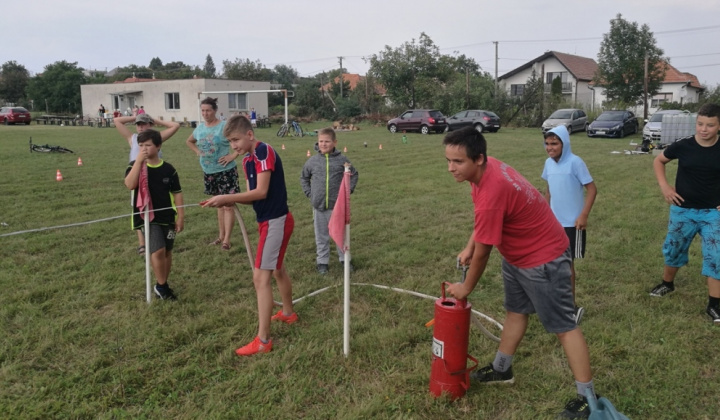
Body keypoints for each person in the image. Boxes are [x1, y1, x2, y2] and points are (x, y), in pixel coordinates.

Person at [443, 127, 599, 418]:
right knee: (515, 311)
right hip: (517, 256)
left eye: (458, 162)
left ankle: (588, 399)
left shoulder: (492, 188)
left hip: (544, 260)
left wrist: (465, 288)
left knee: (565, 327)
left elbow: (485, 251)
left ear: (478, 158)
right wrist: (468, 245)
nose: (451, 168)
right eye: (448, 161)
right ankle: (503, 369)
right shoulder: (486, 169)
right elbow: (484, 221)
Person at [202, 115, 297, 356]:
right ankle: (288, 313)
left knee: (260, 278)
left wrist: (228, 198)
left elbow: (262, 191)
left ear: (250, 135)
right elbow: (253, 196)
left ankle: (263, 341)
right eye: (230, 142)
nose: (233, 145)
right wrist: (226, 202)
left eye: (235, 140)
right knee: (276, 270)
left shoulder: (264, 152)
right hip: (268, 222)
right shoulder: (246, 162)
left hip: (276, 222)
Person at [649, 103, 720, 324]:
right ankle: (667, 284)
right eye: (700, 124)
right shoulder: (684, 145)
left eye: (710, 125)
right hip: (683, 210)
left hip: (712, 213)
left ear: (719, 125)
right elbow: (659, 161)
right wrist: (665, 187)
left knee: (716, 255)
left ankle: (714, 305)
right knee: (674, 248)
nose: (704, 129)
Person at [541, 125, 597, 324]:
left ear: (564, 144)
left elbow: (592, 189)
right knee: (552, 264)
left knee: (567, 266)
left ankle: (571, 307)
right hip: (553, 224)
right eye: (547, 144)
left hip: (573, 224)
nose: (550, 147)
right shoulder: (548, 163)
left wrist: (583, 215)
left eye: (554, 143)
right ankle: (556, 301)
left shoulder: (575, 162)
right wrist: (545, 214)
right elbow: (548, 190)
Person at [124, 129, 184, 300]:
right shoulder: (134, 166)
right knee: (158, 250)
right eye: (140, 145)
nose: (144, 149)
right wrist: (138, 163)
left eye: (148, 145)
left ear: (158, 146)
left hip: (167, 216)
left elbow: (178, 193)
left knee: (167, 252)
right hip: (147, 217)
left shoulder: (168, 169)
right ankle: (162, 287)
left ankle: (161, 284)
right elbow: (129, 184)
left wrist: (180, 216)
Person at [114, 113, 180, 255]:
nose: (141, 127)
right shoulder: (133, 139)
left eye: (144, 124)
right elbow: (117, 121)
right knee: (138, 208)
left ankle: (154, 238)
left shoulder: (157, 137)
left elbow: (175, 126)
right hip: (136, 177)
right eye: (138, 124)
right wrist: (135, 117)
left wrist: (154, 120)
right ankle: (142, 243)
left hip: (154, 177)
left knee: (155, 207)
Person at [300, 127, 358, 274]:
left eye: (327, 141)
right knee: (321, 236)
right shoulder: (312, 161)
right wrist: (310, 193)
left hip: (337, 206)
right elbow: (304, 178)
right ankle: (322, 262)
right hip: (319, 206)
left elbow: (354, 174)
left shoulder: (342, 160)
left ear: (334, 142)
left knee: (341, 234)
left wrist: (347, 191)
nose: (323, 144)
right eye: (321, 141)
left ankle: (345, 259)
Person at [186, 97, 240, 250]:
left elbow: (239, 141)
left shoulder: (224, 127)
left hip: (226, 171)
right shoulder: (200, 128)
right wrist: (197, 152)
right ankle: (221, 236)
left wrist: (232, 156)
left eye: (208, 110)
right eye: (203, 110)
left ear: (215, 110)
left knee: (228, 205)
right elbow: (189, 141)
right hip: (209, 172)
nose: (205, 113)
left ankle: (227, 241)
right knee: (218, 205)